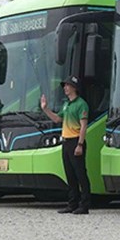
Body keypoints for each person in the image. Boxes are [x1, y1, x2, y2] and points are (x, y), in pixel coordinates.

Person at [41, 75, 91, 215]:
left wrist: (80, 144)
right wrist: (45, 109)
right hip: (66, 142)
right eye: (64, 85)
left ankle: (85, 204)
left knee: (80, 174)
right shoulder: (66, 104)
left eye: (67, 85)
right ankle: (72, 203)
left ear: (74, 88)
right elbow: (57, 119)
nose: (65, 88)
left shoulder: (81, 104)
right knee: (70, 174)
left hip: (76, 141)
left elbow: (83, 126)